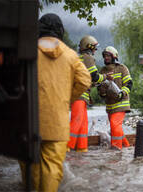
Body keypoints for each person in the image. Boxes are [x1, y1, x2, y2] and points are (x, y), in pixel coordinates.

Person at [19, 13, 91, 191]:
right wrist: (66, 99)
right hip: (57, 123)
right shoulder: (70, 55)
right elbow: (84, 81)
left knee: (29, 163)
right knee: (52, 168)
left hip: (28, 121)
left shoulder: (26, 51)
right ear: (60, 31)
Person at [67, 35, 112, 153]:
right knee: (77, 121)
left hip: (80, 95)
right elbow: (94, 76)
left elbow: (87, 78)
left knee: (83, 123)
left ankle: (82, 149)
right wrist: (106, 77)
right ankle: (67, 148)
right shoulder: (88, 58)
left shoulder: (79, 58)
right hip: (80, 95)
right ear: (89, 46)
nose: (95, 50)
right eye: (94, 48)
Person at [98, 46, 132, 150]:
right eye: (105, 56)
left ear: (114, 57)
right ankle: (127, 146)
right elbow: (100, 89)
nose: (106, 58)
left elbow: (129, 84)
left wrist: (122, 93)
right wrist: (102, 92)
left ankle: (116, 149)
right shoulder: (103, 71)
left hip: (121, 104)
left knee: (114, 125)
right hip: (110, 106)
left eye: (108, 56)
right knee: (115, 128)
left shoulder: (122, 68)